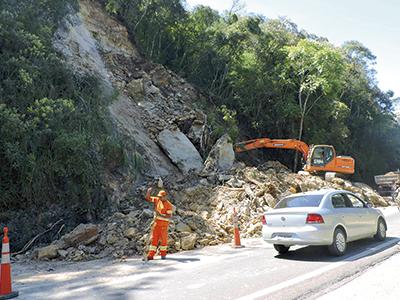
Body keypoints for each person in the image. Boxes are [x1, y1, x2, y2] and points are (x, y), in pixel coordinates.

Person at [145, 187, 174, 260]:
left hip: (163, 225)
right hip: (156, 224)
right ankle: (150, 255)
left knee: (163, 240)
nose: (160, 198)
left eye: (161, 197)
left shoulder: (169, 205)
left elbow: (168, 217)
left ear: (165, 196)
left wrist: (159, 214)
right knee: (154, 239)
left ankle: (163, 254)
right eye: (159, 197)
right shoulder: (157, 200)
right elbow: (148, 198)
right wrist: (148, 192)